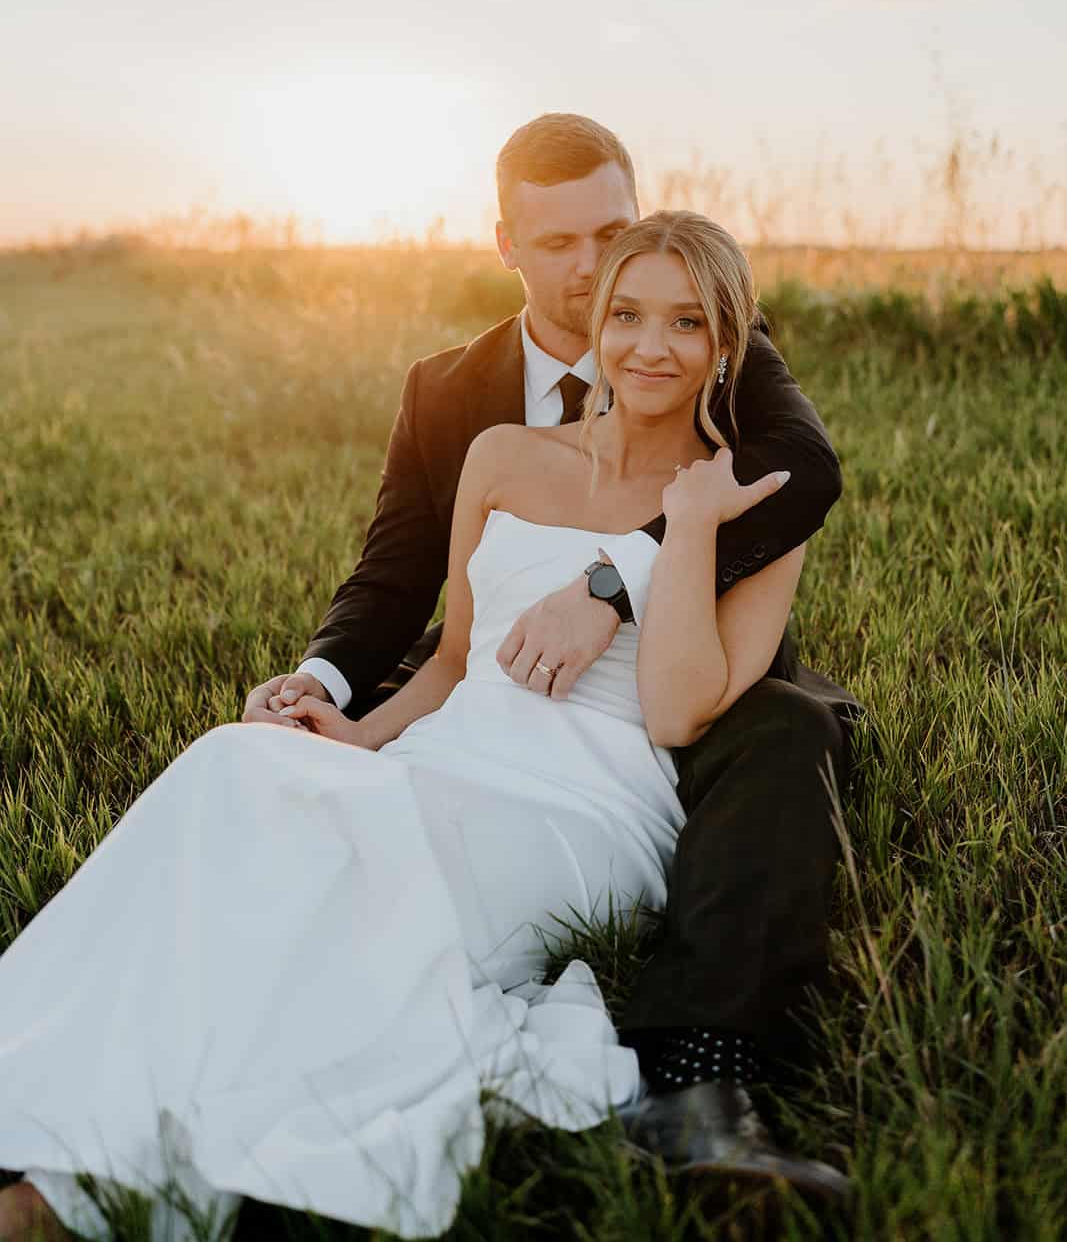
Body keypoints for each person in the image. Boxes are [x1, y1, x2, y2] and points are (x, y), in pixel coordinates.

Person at [0, 210, 851, 1241]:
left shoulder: (746, 503)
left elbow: (676, 709)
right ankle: (39, 1082)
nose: (647, 346)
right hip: (441, 757)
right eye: (625, 314)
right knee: (237, 771)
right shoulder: (500, 454)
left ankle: (78, 1196)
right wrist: (358, 735)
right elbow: (452, 657)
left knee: (345, 896)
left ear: (729, 343)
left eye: (684, 323)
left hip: (581, 806)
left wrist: (687, 527)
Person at [246, 114, 861, 1172]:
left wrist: (615, 580)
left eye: (607, 234)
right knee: (282, 805)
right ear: (505, 248)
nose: (588, 275)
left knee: (789, 734)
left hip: (695, 663)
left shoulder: (716, 340)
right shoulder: (453, 398)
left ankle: (700, 1073)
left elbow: (800, 469)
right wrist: (325, 690)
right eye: (559, 247)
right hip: (495, 668)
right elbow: (399, 578)